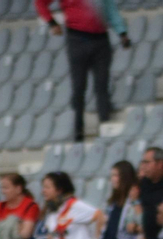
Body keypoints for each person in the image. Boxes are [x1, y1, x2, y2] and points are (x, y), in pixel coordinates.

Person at [36, 0, 129, 142]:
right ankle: (78, 129)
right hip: (77, 38)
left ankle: (105, 125)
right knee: (79, 87)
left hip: (100, 39)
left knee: (102, 84)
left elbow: (111, 9)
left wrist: (122, 32)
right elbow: (40, 2)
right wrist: (51, 22)